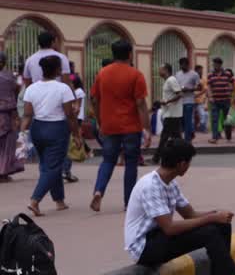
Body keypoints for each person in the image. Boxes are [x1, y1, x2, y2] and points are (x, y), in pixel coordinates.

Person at [126, 140, 235, 275]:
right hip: (145, 247)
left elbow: (190, 215)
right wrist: (211, 218)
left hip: (159, 236)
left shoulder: (170, 183)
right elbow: (170, 228)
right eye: (189, 162)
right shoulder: (150, 186)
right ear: (182, 164)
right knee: (210, 232)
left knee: (221, 225)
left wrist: (216, 215)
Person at [90, 40, 151, 212]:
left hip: (109, 124)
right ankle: (128, 202)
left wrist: (100, 120)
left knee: (108, 160)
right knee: (131, 162)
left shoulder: (102, 73)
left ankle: (98, 191)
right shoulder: (136, 75)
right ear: (130, 54)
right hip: (131, 126)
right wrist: (146, 128)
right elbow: (140, 103)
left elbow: (94, 99)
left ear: (113, 54)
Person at [21, 55, 79, 216]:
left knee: (49, 165)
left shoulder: (31, 88)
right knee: (52, 167)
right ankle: (35, 200)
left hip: (37, 128)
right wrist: (77, 135)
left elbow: (27, 114)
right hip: (57, 129)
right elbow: (70, 115)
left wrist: (23, 132)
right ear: (58, 70)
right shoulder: (63, 88)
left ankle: (59, 201)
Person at [153, 63, 183, 164]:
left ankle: (156, 158)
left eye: (160, 69)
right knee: (176, 137)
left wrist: (167, 102)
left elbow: (180, 94)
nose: (159, 71)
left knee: (164, 137)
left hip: (172, 114)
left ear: (166, 70)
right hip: (171, 113)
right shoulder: (168, 81)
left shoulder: (171, 80)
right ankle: (183, 156)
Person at [0, 53, 22, 182]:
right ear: (4, 62)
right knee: (7, 144)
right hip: (7, 114)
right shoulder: (10, 77)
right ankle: (3, 172)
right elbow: (17, 91)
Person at [63, 76, 86, 183]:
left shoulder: (79, 91)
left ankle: (66, 170)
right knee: (68, 144)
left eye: (71, 82)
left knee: (70, 143)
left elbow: (77, 107)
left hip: (76, 118)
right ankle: (66, 170)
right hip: (70, 118)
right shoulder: (67, 91)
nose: (70, 84)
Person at [207, 57, 235, 144]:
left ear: (220, 65)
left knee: (227, 120)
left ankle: (228, 136)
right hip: (215, 100)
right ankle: (215, 137)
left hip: (226, 100)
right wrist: (210, 96)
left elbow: (232, 84)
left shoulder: (227, 74)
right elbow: (208, 87)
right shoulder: (210, 75)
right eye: (213, 64)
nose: (214, 66)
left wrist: (230, 92)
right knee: (214, 119)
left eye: (216, 64)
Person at [173, 57, 200, 143]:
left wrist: (189, 89)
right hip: (180, 100)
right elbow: (175, 85)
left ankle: (187, 140)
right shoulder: (177, 74)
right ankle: (191, 132)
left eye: (184, 64)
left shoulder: (194, 74)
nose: (182, 66)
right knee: (182, 121)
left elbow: (199, 87)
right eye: (181, 65)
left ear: (188, 65)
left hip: (189, 101)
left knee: (188, 120)